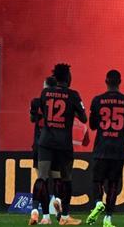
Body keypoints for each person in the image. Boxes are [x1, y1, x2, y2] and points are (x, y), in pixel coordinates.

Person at [31, 63, 86, 225]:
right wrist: (72, 111)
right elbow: (83, 118)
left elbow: (38, 116)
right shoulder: (73, 95)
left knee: (42, 177)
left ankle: (36, 211)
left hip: (45, 142)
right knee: (65, 178)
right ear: (68, 78)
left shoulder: (45, 93)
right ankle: (64, 215)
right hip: (63, 144)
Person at [85, 70, 124, 227]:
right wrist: (123, 123)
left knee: (97, 180)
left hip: (101, 148)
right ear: (120, 81)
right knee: (113, 184)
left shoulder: (97, 100)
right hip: (118, 150)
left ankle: (97, 203)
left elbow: (93, 126)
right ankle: (108, 218)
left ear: (105, 81)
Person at [29, 76, 61, 224]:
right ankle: (57, 199)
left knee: (42, 179)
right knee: (56, 178)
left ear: (45, 86)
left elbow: (32, 119)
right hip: (56, 144)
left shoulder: (37, 102)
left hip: (40, 145)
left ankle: (44, 215)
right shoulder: (61, 104)